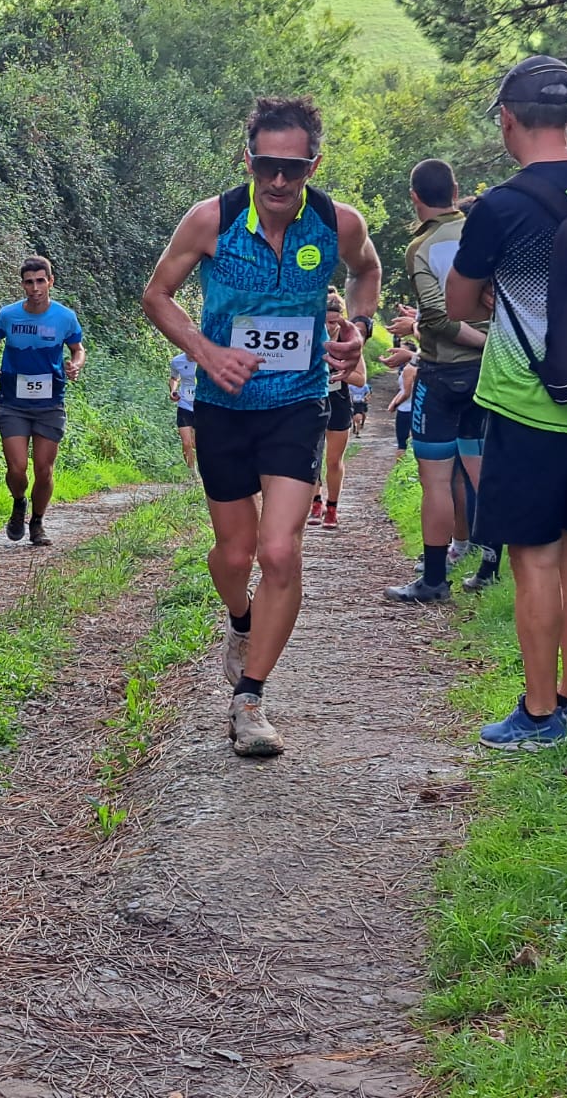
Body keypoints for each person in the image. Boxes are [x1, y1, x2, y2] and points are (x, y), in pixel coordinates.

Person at [141, 95, 381, 757]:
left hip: (297, 403)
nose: (279, 181)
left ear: (314, 164)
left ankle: (249, 699)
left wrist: (357, 328)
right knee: (235, 554)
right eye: (267, 165)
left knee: (279, 552)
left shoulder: (337, 223)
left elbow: (368, 271)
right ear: (247, 159)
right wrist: (205, 352)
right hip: (223, 406)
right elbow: (155, 296)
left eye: (293, 168)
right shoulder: (210, 220)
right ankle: (240, 620)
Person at [445, 56, 567, 749]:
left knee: (533, 558)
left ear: (507, 119)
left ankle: (539, 712)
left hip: (528, 403)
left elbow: (456, 303)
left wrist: (496, 297)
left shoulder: (503, 206)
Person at [385, 158, 498, 602]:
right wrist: (491, 344)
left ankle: (434, 580)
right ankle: (490, 567)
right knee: (483, 469)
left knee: (435, 479)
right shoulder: (485, 232)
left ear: (415, 198)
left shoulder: (423, 247)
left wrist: (473, 341)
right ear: (455, 189)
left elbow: (435, 313)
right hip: (489, 375)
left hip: (442, 373)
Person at [0, 255, 85, 547]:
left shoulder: (65, 317)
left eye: (41, 281)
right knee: (17, 469)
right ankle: (19, 503)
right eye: (29, 282)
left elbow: (78, 348)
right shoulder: (9, 315)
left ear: (50, 282)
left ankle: (37, 522)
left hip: (50, 403)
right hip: (12, 401)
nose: (35, 287)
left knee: (43, 468)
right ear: (22, 285)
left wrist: (76, 364)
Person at [308, 295, 366, 530]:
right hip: (312, 400)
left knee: (333, 459)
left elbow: (361, 379)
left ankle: (332, 507)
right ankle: (315, 502)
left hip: (339, 400)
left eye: (334, 322)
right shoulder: (311, 338)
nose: (329, 327)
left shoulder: (349, 341)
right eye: (325, 321)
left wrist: (338, 367)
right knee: (312, 457)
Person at [170, 350, 198, 473]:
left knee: (196, 443)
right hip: (184, 404)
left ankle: (206, 472)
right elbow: (174, 378)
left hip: (202, 406)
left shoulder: (206, 359)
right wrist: (173, 390)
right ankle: (192, 474)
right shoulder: (177, 361)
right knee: (186, 442)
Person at [388, 350, 418, 454]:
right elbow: (402, 389)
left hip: (406, 408)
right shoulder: (419, 367)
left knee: (402, 443)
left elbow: (406, 393)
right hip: (416, 407)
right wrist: (394, 401)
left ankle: (399, 468)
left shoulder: (408, 369)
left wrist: (395, 404)